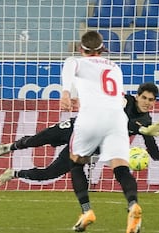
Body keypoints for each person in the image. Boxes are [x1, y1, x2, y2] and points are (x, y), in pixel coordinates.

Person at [0, 82, 159, 231]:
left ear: (155, 102)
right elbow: (118, 117)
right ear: (137, 96)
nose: (147, 102)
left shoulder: (147, 121)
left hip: (89, 143)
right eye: (144, 98)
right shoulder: (125, 101)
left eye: (151, 100)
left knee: (49, 174)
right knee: (38, 139)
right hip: (79, 126)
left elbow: (154, 152)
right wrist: (141, 129)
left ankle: (14, 173)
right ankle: (9, 147)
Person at [59, 30, 142, 233]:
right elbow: (116, 96)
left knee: (76, 162)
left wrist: (66, 92)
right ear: (102, 49)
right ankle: (133, 205)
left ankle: (86, 210)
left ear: (81, 49)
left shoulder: (77, 61)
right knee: (121, 167)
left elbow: (70, 66)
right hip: (116, 118)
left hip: (91, 117)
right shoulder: (115, 68)